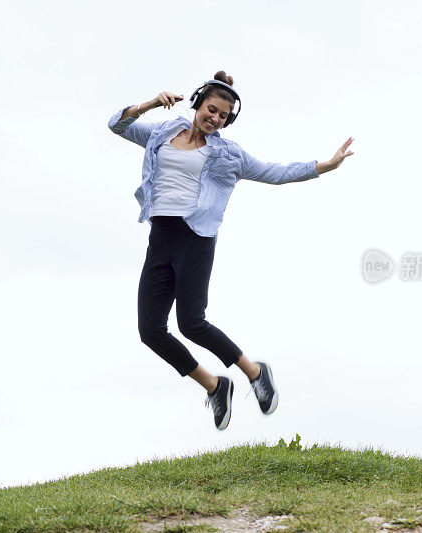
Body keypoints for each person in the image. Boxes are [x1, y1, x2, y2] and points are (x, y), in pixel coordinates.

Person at [107, 70, 354, 430]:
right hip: (160, 238)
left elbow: (273, 172)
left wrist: (324, 166)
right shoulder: (162, 132)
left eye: (223, 116)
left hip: (196, 239)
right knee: (150, 331)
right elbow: (117, 125)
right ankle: (214, 385)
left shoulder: (228, 155)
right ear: (197, 104)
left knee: (191, 323)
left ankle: (255, 373)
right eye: (211, 109)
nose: (215, 118)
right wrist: (148, 104)